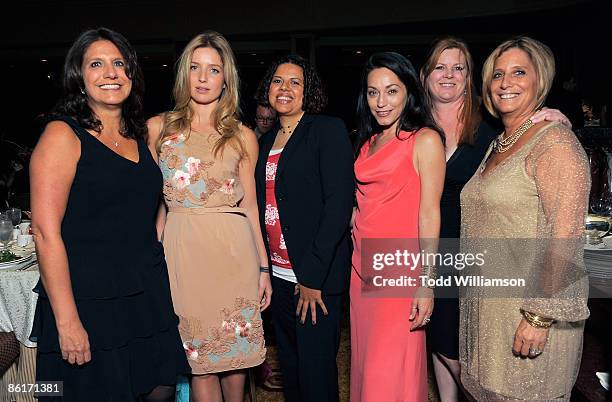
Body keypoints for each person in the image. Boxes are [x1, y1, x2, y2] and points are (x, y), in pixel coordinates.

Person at [29, 27, 189, 402]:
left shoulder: (139, 135)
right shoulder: (62, 134)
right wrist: (67, 321)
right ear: (79, 78)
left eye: (119, 63)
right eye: (96, 64)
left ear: (131, 74)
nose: (111, 73)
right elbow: (44, 231)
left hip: (143, 292)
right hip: (88, 298)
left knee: (160, 387)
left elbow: (146, 212)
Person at [419, 37, 573, 402]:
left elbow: (533, 151)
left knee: (470, 355)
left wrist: (553, 115)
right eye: (440, 66)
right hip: (427, 251)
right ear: (425, 76)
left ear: (470, 77)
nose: (449, 75)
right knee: (439, 345)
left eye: (459, 67)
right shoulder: (411, 124)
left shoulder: (492, 127)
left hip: (477, 255)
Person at [459, 36, 590, 401]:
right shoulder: (499, 142)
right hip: (492, 313)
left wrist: (539, 317)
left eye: (519, 72)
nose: (505, 83)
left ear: (540, 80)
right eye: (498, 74)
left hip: (529, 315)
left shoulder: (555, 144)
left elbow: (565, 236)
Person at [146, 31, 271, 402]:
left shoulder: (242, 135)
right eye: (195, 68)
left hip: (234, 254)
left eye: (213, 70)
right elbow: (154, 207)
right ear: (184, 74)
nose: (203, 78)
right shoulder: (159, 130)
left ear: (225, 78)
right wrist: (151, 261)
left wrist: (264, 269)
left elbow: (250, 206)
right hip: (182, 254)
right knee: (198, 359)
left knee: (235, 361)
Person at [254, 54, 354, 402]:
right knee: (293, 371)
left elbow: (338, 206)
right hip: (278, 278)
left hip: (313, 279)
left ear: (307, 90)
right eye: (278, 80)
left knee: (316, 376)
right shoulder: (264, 142)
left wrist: (311, 277)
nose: (285, 88)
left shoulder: (326, 130)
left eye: (295, 82)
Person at [351, 51, 445, 402]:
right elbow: (364, 201)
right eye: (373, 92)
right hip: (360, 270)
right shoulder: (367, 142)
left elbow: (429, 214)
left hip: (398, 275)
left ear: (409, 91)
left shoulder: (424, 140)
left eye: (391, 90)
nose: (381, 101)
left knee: (387, 374)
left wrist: (426, 282)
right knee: (364, 367)